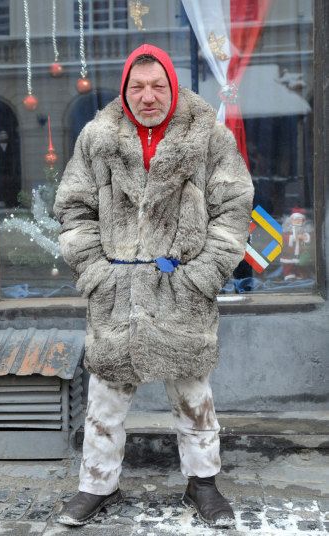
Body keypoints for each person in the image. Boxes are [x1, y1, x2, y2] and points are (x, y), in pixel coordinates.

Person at [53, 43, 254, 528]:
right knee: (104, 399)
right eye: (137, 87)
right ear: (125, 91)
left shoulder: (207, 137)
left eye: (158, 86)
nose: (148, 96)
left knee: (194, 397)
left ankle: (203, 484)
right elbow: (73, 210)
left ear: (172, 87)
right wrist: (97, 274)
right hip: (115, 296)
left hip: (182, 293)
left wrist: (201, 276)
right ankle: (96, 486)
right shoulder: (97, 138)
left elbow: (234, 209)